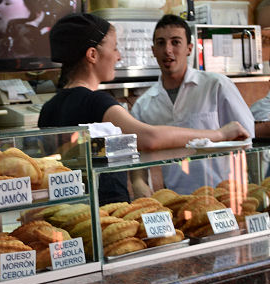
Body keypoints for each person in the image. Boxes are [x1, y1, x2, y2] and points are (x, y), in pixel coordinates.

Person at [37, 13, 250, 204]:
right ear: (92, 55)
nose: (119, 56)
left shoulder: (48, 108)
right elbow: (149, 138)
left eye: (176, 42)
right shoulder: (96, 102)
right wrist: (220, 133)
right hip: (104, 213)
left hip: (70, 213)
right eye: (115, 48)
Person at [129, 14, 255, 195]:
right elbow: (136, 153)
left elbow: (247, 136)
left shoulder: (216, 85)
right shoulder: (143, 105)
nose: (168, 50)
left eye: (175, 42)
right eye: (161, 43)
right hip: (178, 200)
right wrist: (138, 181)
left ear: (189, 48)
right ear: (153, 50)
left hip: (225, 194)